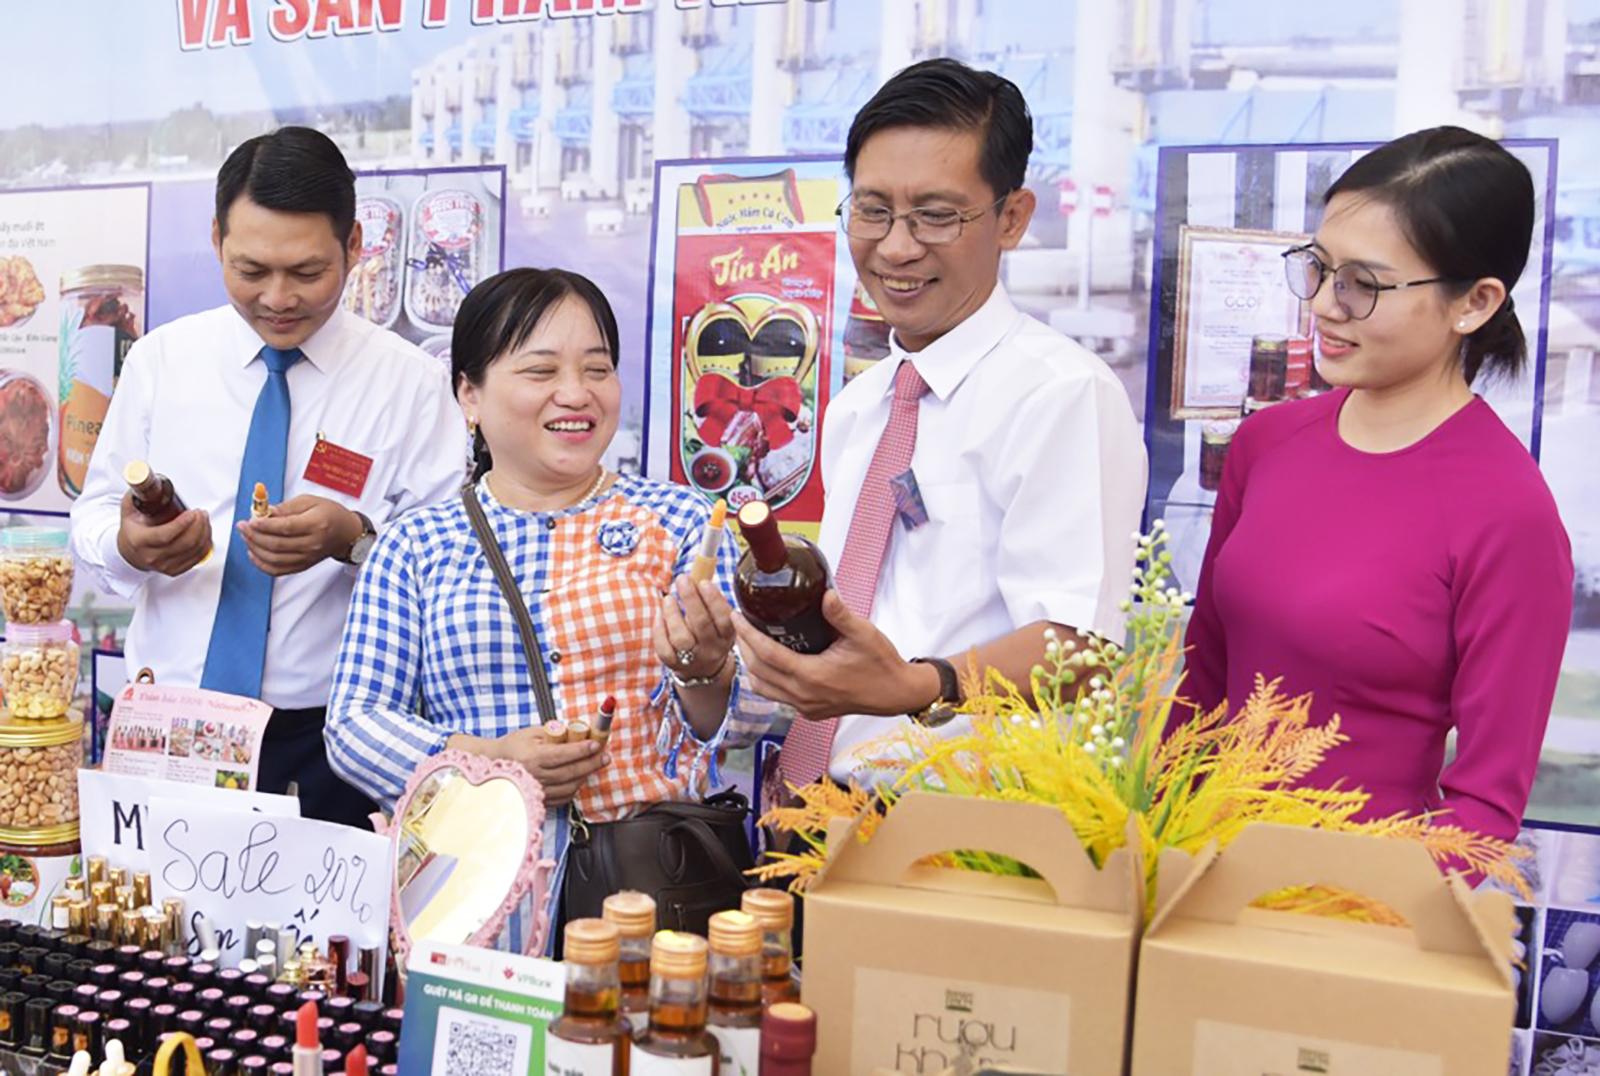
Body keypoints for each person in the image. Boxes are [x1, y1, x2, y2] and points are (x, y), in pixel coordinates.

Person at [729, 58, 1147, 793]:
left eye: (936, 215)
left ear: (1012, 218)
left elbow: (1081, 647)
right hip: (815, 813)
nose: (896, 247)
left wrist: (923, 686)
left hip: (964, 825)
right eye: (873, 210)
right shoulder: (861, 406)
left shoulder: (1062, 393)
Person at [325, 268, 773, 944]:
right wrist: (487, 763)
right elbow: (354, 726)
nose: (576, 393)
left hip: (651, 897)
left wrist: (705, 670)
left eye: (597, 369)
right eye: (541, 370)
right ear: (469, 394)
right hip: (475, 904)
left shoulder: (682, 522)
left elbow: (752, 718)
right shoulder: (416, 544)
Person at [1183, 127, 1574, 844]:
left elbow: (1483, 810)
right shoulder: (1266, 444)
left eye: (1363, 284)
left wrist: (1370, 904)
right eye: (1320, 268)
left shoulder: (1508, 513)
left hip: (1366, 891)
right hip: (1197, 868)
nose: (1325, 305)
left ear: (1475, 302)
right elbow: (1200, 683)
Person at [70, 127, 466, 827]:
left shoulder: (410, 383)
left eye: (307, 273)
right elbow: (95, 513)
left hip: (326, 738)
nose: (278, 298)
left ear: (353, 247)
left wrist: (354, 540)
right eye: (251, 270)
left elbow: (446, 565)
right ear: (217, 239)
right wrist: (130, 545)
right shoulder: (163, 360)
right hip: (168, 721)